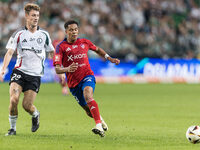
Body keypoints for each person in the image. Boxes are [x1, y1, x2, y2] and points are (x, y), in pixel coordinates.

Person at [53, 20, 120, 137]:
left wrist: (109, 58)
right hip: (73, 84)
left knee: (88, 95)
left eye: (76, 29)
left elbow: (98, 49)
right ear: (66, 31)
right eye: (71, 30)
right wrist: (67, 69)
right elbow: (58, 69)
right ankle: (100, 120)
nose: (74, 32)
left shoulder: (84, 42)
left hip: (87, 76)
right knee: (88, 110)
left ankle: (98, 126)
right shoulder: (60, 47)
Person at [0, 3, 54, 136]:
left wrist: (57, 68)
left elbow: (52, 52)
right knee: (13, 100)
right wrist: (3, 70)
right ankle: (12, 129)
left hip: (35, 76)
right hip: (20, 72)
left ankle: (35, 114)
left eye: (37, 15)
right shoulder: (19, 34)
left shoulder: (44, 35)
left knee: (26, 106)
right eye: (33, 15)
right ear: (26, 16)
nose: (36, 18)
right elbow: (9, 53)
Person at [52, 29, 69, 95]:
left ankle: (69, 88)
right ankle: (64, 88)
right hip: (58, 61)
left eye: (61, 34)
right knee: (61, 76)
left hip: (66, 61)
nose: (60, 35)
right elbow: (52, 51)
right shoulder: (55, 42)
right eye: (59, 34)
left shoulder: (66, 42)